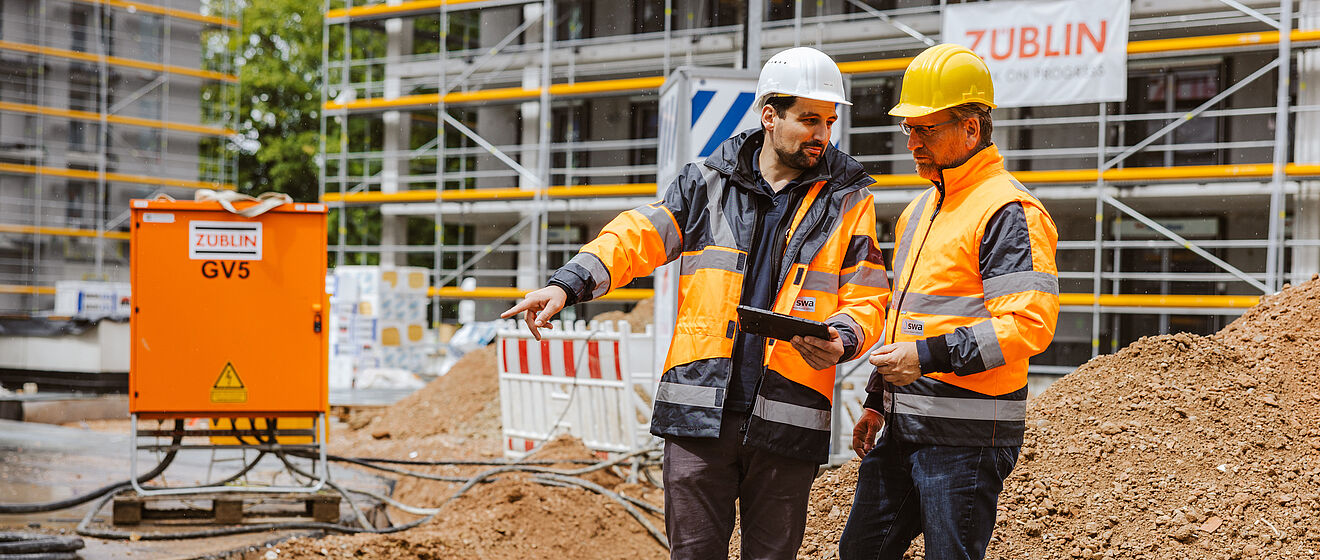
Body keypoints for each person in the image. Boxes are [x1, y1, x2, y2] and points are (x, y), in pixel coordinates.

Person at [502, 47, 889, 559]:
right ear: (770, 116)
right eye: (809, 119)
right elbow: (635, 237)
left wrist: (844, 334)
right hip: (699, 411)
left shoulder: (848, 198)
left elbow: (867, 293)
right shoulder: (705, 183)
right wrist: (566, 284)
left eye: (829, 122)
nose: (822, 134)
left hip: (790, 413)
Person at [837, 44, 1060, 560]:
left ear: (970, 129)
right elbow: (906, 319)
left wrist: (929, 356)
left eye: (926, 129)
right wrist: (877, 400)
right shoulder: (920, 211)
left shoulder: (1008, 210)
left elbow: (1028, 324)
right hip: (905, 427)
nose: (912, 142)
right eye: (908, 129)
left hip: (967, 437)